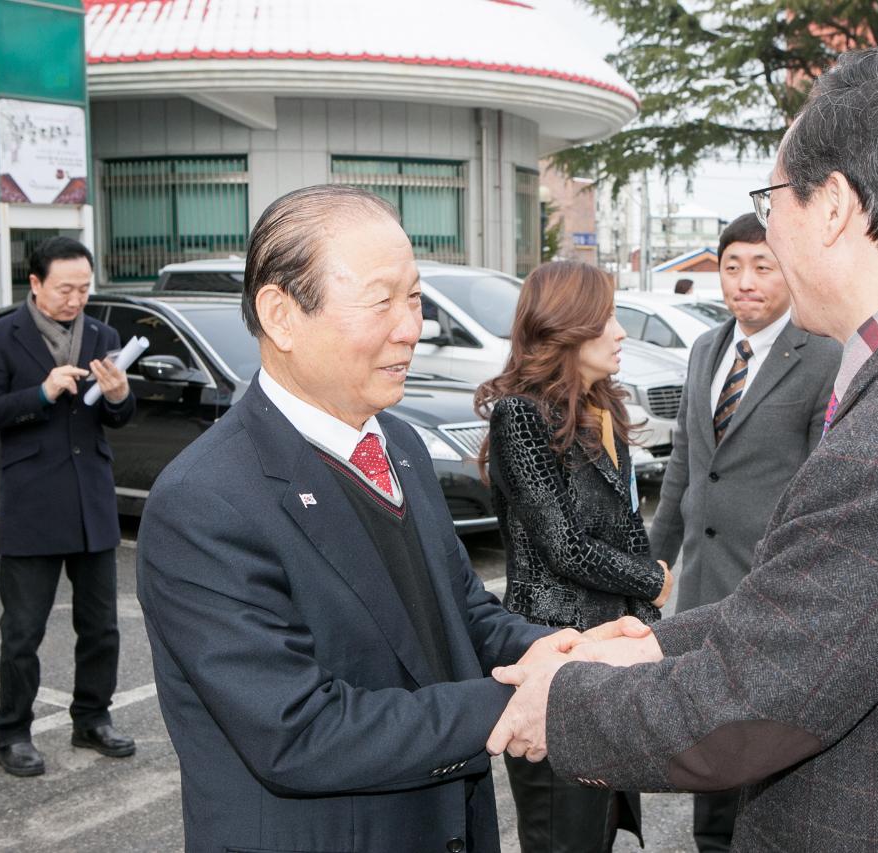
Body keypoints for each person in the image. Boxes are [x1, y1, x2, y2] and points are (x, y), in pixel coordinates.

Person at [485, 47, 878, 850]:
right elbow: (825, 613)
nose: (770, 226)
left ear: (833, 207)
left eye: (773, 198)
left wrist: (561, 701)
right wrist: (650, 641)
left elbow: (752, 703)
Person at [136, 186, 641, 853]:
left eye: (414, 296)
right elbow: (298, 731)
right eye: (382, 300)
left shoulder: (397, 442)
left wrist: (567, 653)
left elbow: (460, 612)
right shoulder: (206, 502)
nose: (412, 326)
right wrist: (523, 700)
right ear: (281, 315)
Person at [649, 213, 839, 851]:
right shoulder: (706, 348)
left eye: (763, 266)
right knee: (706, 736)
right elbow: (685, 465)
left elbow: (820, 483)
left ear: (788, 270)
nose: (745, 282)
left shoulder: (824, 353)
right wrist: (656, 565)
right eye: (733, 267)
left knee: (766, 741)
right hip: (701, 582)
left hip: (770, 585)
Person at [476, 260, 669, 852]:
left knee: (601, 824)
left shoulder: (603, 409)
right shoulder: (520, 416)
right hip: (552, 649)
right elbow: (563, 545)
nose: (621, 332)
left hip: (609, 650)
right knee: (563, 831)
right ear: (566, 325)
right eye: (607, 317)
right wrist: (653, 580)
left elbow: (629, 528)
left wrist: (647, 626)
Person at [0, 236, 136, 777]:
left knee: (102, 626)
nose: (76, 299)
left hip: (91, 500)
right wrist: (40, 393)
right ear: (35, 284)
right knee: (23, 631)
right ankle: (11, 731)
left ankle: (92, 716)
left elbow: (120, 416)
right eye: (65, 288)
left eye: (84, 288)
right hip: (33, 503)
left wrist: (117, 396)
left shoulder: (103, 334)